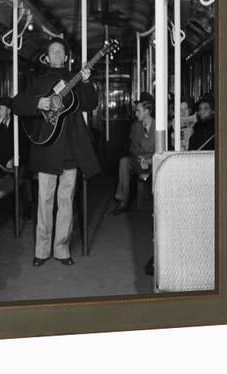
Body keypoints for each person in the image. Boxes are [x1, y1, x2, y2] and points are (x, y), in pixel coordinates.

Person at [12, 38, 100, 266]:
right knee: (45, 200)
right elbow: (18, 104)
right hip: (47, 148)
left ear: (66, 56)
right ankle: (41, 250)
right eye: (54, 51)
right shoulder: (38, 82)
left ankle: (61, 249)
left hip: (71, 149)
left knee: (66, 200)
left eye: (61, 51)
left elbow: (91, 104)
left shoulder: (77, 79)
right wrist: (38, 103)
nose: (58, 55)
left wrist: (88, 82)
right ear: (47, 57)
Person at [111, 94, 155, 215]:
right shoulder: (135, 126)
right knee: (124, 162)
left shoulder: (158, 126)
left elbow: (160, 149)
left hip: (154, 160)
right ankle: (122, 202)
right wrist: (140, 156)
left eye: (138, 111)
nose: (136, 114)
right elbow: (132, 148)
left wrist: (149, 158)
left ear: (147, 111)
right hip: (139, 159)